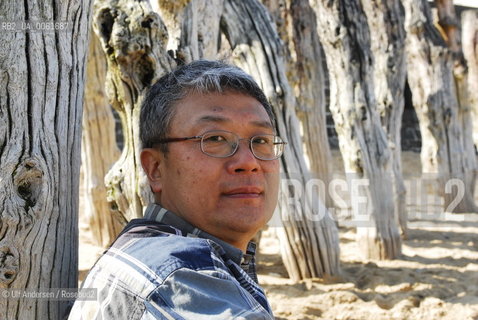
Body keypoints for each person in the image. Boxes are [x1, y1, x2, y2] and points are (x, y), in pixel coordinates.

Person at [68, 60, 286, 319]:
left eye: (260, 141)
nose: (248, 162)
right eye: (214, 139)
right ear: (156, 168)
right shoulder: (180, 277)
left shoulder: (148, 250)